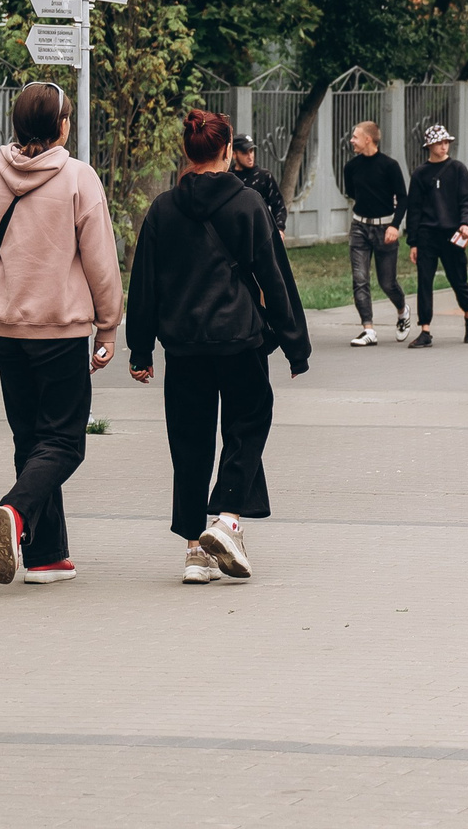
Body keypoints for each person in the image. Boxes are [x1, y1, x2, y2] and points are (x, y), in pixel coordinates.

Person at [0, 81, 121, 587]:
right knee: (65, 442)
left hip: (4, 332)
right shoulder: (79, 178)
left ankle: (46, 557)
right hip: (60, 330)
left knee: (31, 439)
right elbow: (101, 262)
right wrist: (108, 327)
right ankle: (15, 512)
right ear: (61, 125)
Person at [127, 108, 311, 585]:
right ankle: (227, 522)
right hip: (240, 340)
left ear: (186, 151)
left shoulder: (163, 209)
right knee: (248, 425)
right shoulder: (248, 204)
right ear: (228, 151)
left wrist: (140, 349)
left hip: (183, 346)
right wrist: (296, 345)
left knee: (189, 443)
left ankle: (195, 551)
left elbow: (144, 283)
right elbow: (274, 276)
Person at [405, 122, 468, 346]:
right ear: (429, 146)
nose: (444, 146)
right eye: (439, 143)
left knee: (458, 279)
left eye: (446, 142)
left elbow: (467, 200)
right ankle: (425, 330)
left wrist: (465, 223)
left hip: (452, 233)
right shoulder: (420, 174)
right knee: (424, 282)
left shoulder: (458, 169)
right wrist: (413, 242)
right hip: (427, 235)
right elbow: (414, 209)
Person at [342, 120, 408, 345]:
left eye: (355, 137)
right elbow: (352, 193)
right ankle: (368, 329)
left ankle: (402, 310)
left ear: (368, 139)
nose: (352, 140)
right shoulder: (351, 167)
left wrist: (394, 226)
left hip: (385, 228)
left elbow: (403, 198)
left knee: (387, 282)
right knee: (360, 279)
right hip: (359, 227)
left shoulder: (389, 166)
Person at [230, 134, 288, 233]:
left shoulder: (264, 177)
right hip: (233, 234)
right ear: (234, 154)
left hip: (260, 233)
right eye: (245, 153)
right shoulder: (229, 177)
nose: (250, 156)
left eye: (251, 151)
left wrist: (279, 229)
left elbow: (279, 205)